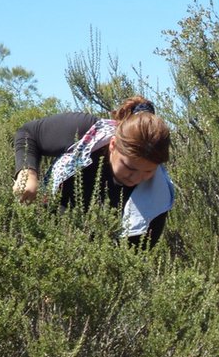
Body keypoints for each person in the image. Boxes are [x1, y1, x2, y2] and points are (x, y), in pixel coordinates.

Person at [12, 96, 173, 247]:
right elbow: (28, 133)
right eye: (129, 167)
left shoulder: (157, 198)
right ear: (113, 145)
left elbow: (133, 259)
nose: (137, 177)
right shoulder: (85, 132)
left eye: (148, 171)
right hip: (36, 237)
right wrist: (28, 173)